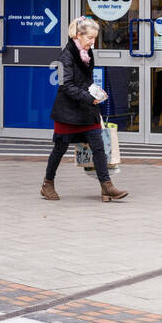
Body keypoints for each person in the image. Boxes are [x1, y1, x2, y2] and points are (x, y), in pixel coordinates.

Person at [41, 16, 128, 202]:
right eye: (90, 38)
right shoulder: (65, 56)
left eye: (94, 38)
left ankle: (107, 186)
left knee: (98, 146)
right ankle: (47, 184)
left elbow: (86, 80)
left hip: (86, 109)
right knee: (60, 148)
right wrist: (90, 98)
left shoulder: (87, 54)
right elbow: (66, 86)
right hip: (68, 112)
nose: (92, 42)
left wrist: (96, 92)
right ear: (78, 35)